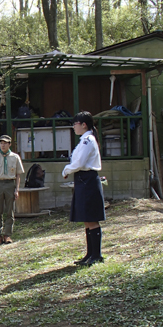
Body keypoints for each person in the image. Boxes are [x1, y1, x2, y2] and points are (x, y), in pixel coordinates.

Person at [62, 111, 105, 265]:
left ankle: (97, 255)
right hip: (82, 179)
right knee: (86, 219)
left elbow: (79, 163)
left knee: (91, 218)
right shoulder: (83, 140)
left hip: (88, 180)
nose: (74, 126)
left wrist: (66, 170)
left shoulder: (88, 140)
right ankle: (90, 254)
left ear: (83, 124)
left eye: (75, 123)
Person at [0, 135, 24, 245]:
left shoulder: (15, 157)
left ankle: (7, 235)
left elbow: (18, 175)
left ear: (10, 144)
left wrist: (17, 189)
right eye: (1, 143)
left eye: (5, 143)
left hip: (9, 184)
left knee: (9, 211)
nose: (3, 145)